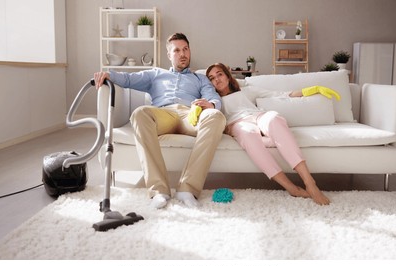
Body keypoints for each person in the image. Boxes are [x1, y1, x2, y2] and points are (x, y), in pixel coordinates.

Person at [94, 33, 226, 209]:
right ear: (169, 55)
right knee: (140, 113)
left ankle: (187, 188)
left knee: (216, 116)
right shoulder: (155, 74)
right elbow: (128, 79)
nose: (182, 54)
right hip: (163, 114)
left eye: (185, 49)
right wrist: (107, 75)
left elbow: (212, 96)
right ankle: (159, 190)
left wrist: (211, 104)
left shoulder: (200, 78)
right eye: (177, 50)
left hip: (190, 115)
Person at [205, 63, 331, 205]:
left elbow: (280, 95)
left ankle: (310, 182)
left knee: (274, 119)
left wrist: (310, 90)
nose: (216, 79)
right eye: (211, 78)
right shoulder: (214, 101)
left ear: (227, 76)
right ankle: (291, 188)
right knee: (248, 133)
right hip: (238, 123)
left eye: (219, 74)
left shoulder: (246, 91)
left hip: (258, 116)